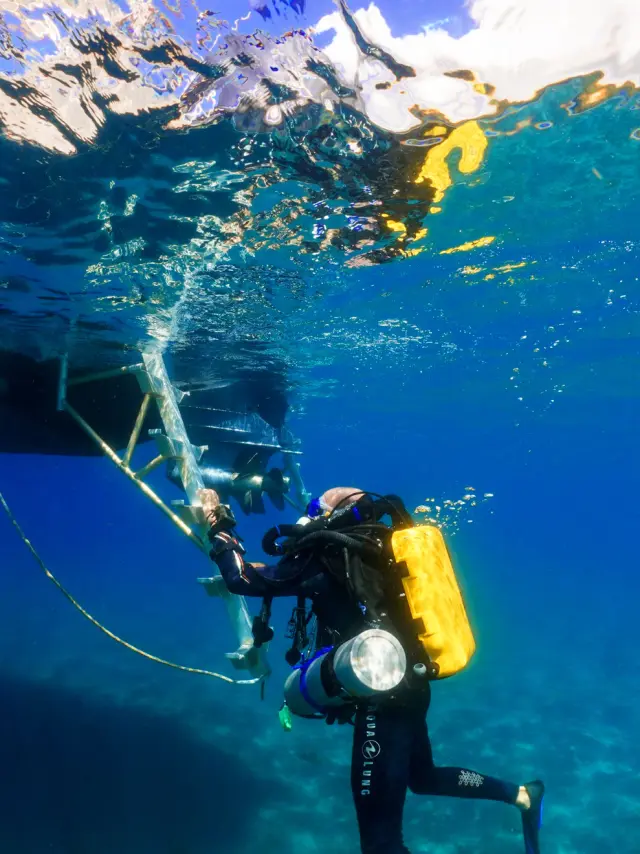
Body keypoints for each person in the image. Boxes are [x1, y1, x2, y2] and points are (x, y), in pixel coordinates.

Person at [198, 485, 545, 854]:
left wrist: (217, 521)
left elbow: (242, 580)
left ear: (332, 515)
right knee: (422, 777)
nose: (309, 514)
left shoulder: (327, 558)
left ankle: (523, 796)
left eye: (317, 506)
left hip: (384, 696)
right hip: (412, 684)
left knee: (380, 844)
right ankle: (523, 795)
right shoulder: (382, 549)